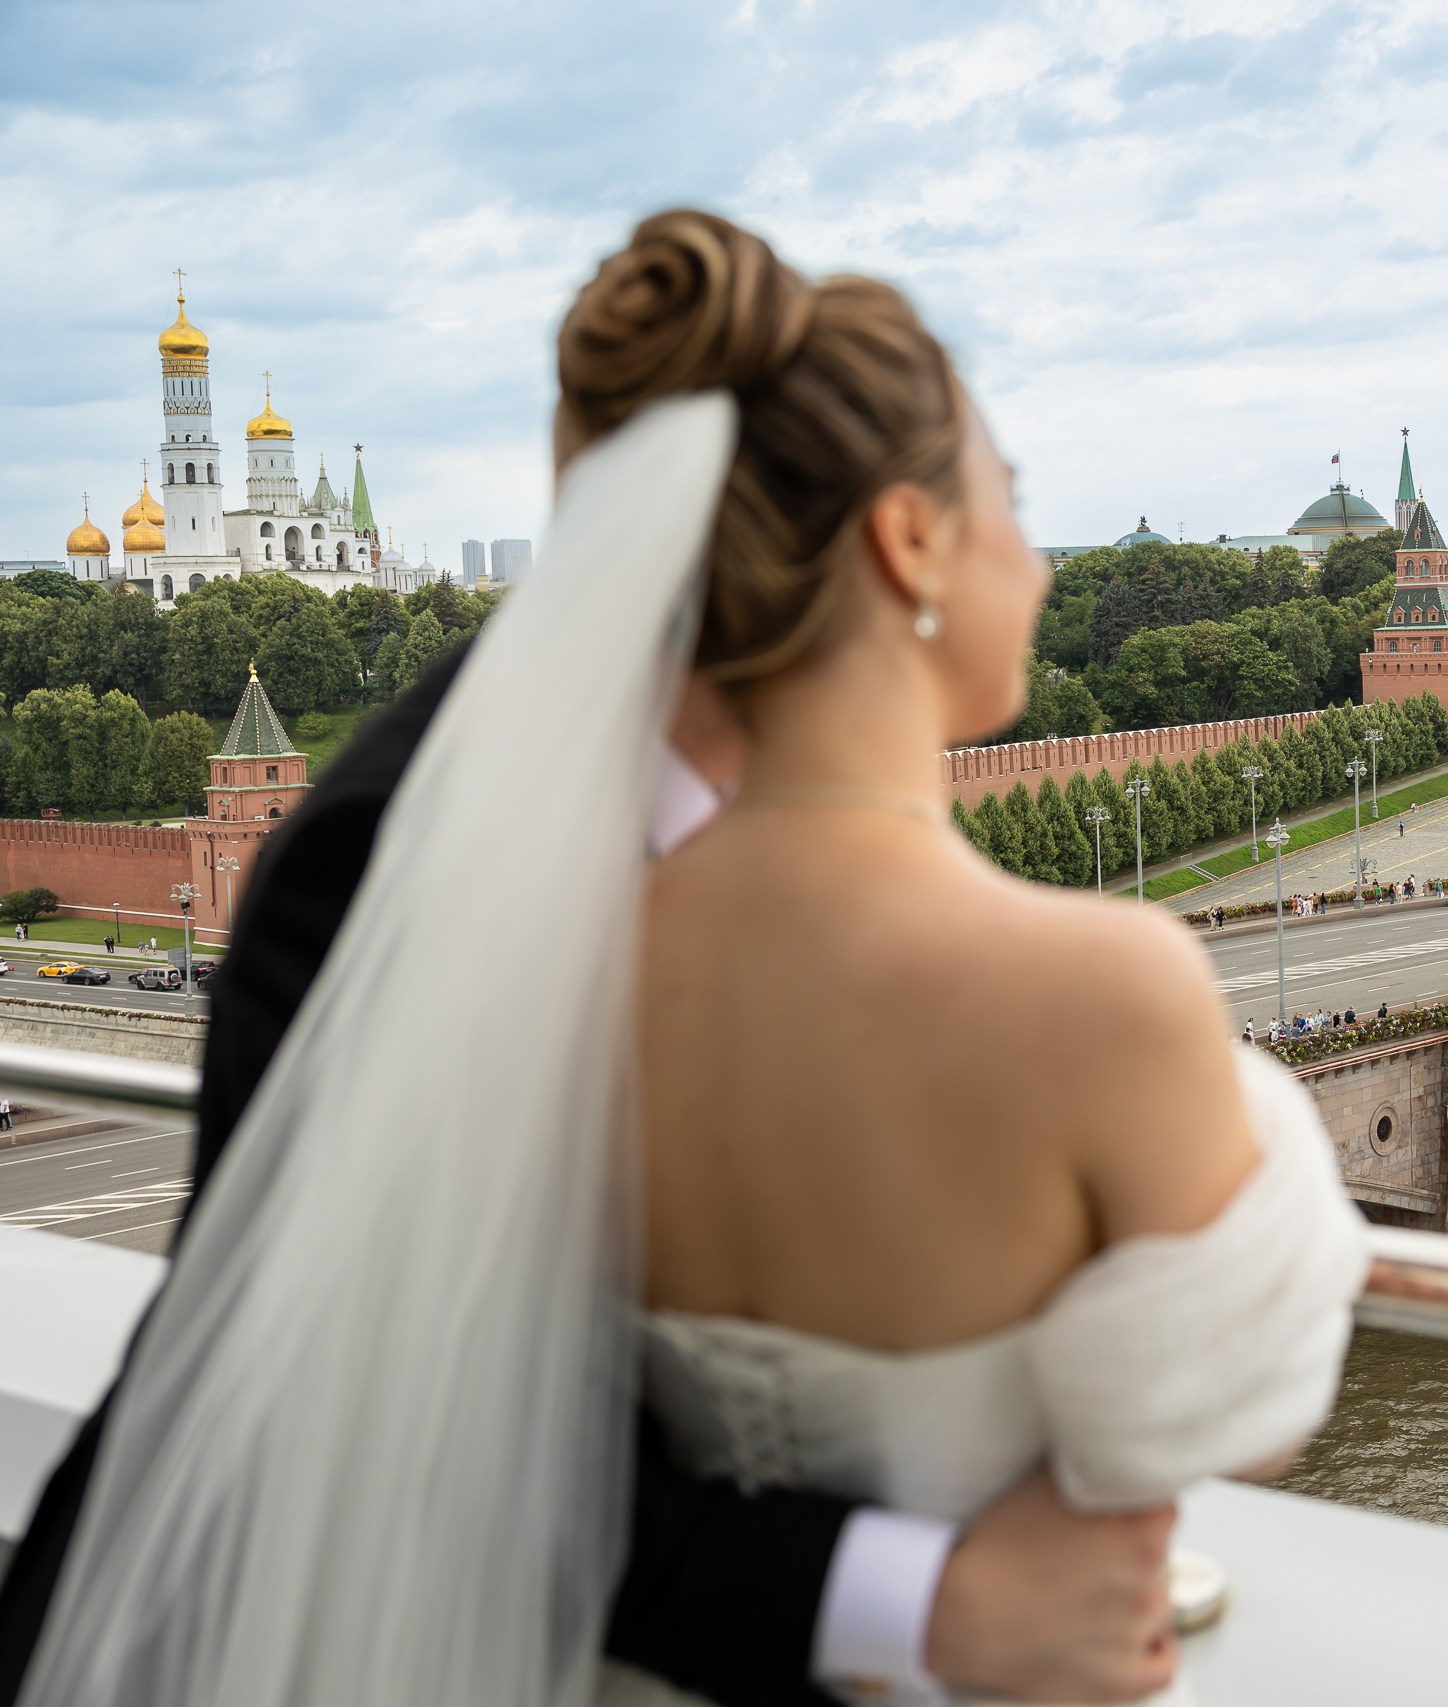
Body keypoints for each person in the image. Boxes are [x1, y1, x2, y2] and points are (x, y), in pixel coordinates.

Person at [12, 213, 1368, 1707]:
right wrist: (916, 1604)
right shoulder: (396, 844)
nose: (1039, 558)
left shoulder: (659, 902)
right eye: (1014, 500)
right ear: (904, 540)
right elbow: (357, 1396)